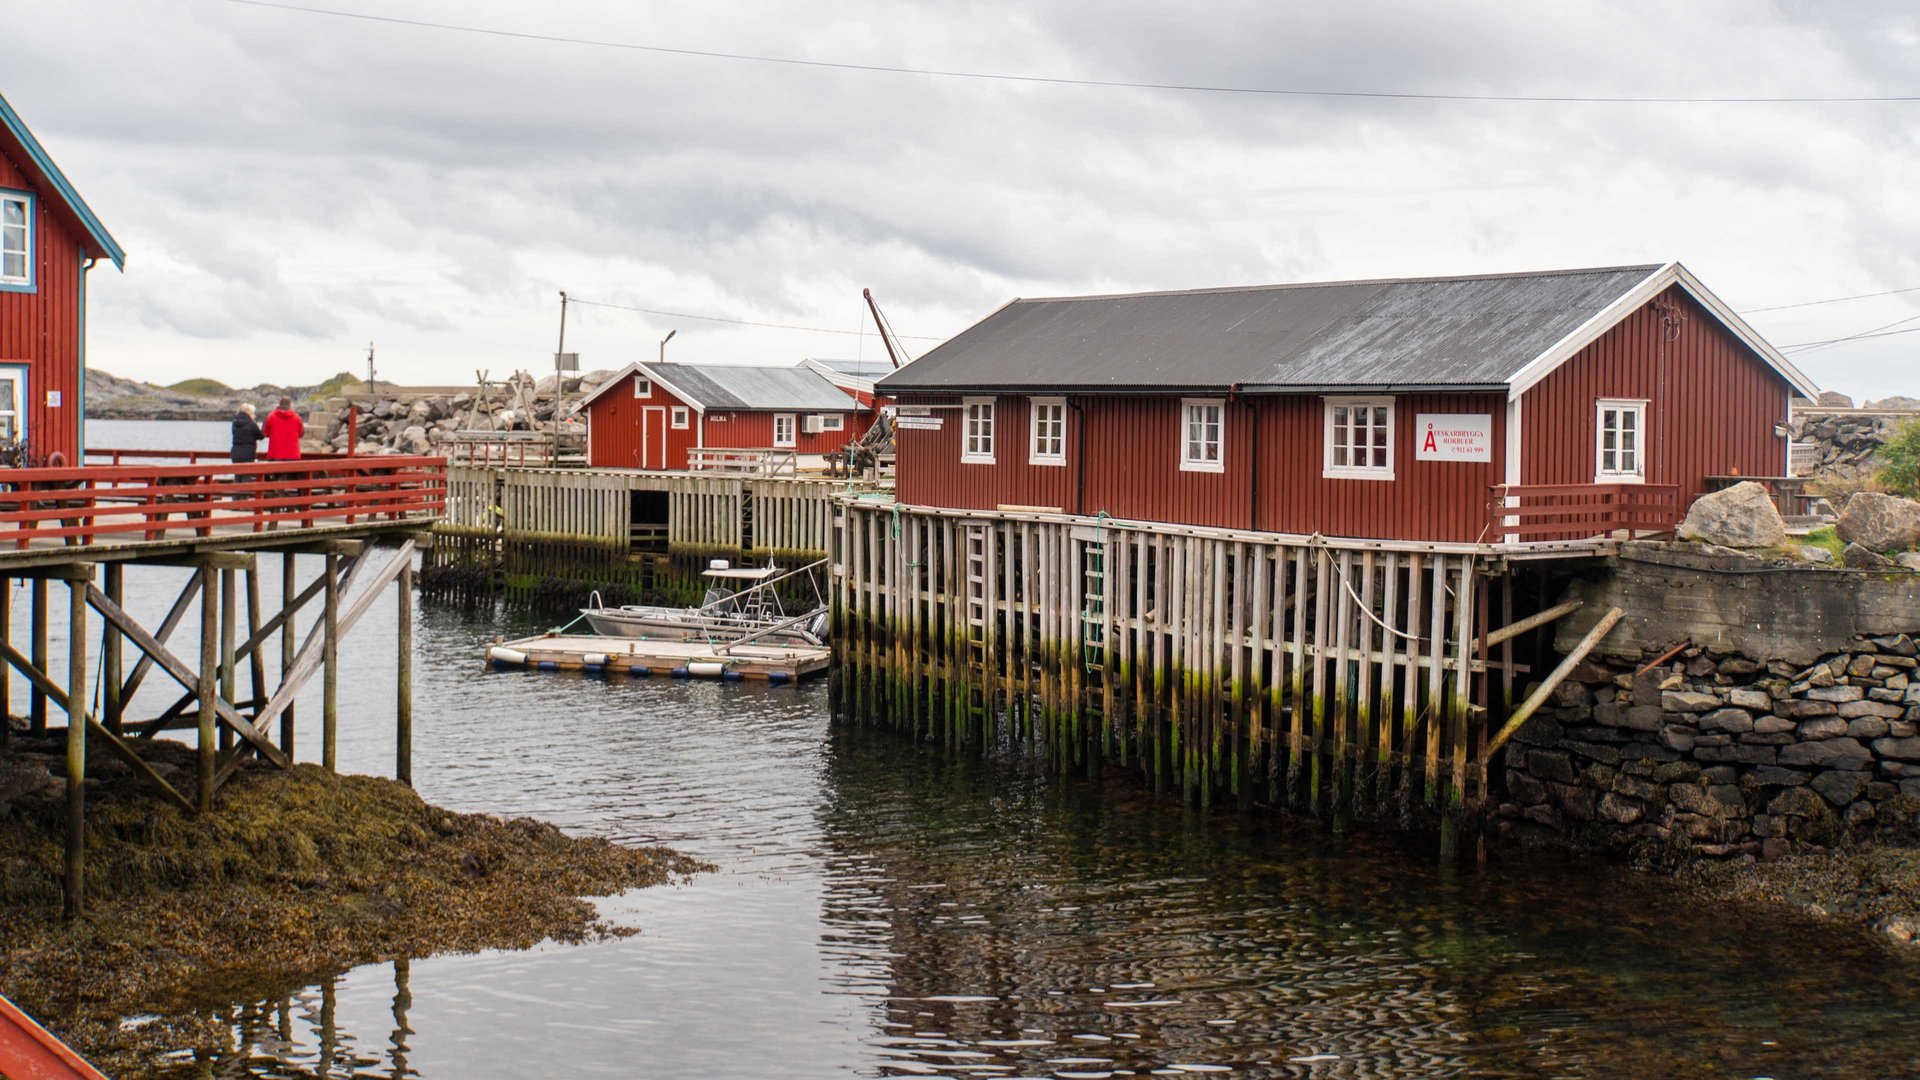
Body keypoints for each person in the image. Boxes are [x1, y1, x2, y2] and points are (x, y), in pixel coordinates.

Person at [261, 396, 304, 461]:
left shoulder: (271, 416)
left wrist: (274, 434)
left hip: (275, 454)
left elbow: (264, 433)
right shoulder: (297, 417)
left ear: (280, 404)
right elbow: (301, 434)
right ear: (290, 405)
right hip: (293, 455)